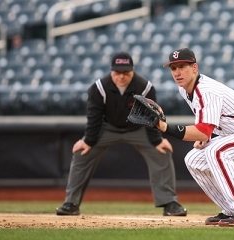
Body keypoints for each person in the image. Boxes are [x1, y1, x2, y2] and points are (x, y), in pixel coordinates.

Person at [156, 48, 234, 226]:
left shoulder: (206, 90)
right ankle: (231, 210)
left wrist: (165, 127)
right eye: (173, 68)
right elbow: (206, 123)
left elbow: (202, 130)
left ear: (194, 68)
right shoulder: (185, 90)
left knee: (217, 151)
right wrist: (203, 135)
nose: (177, 72)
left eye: (182, 66)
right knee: (194, 159)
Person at [56, 52, 187, 217]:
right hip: (107, 127)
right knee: (82, 152)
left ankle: (170, 203)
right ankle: (71, 203)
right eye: (118, 72)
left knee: (161, 151)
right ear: (111, 71)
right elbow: (93, 117)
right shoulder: (99, 88)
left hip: (138, 128)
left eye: (126, 72)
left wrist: (157, 140)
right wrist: (88, 141)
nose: (122, 76)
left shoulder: (144, 87)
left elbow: (151, 116)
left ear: (132, 71)